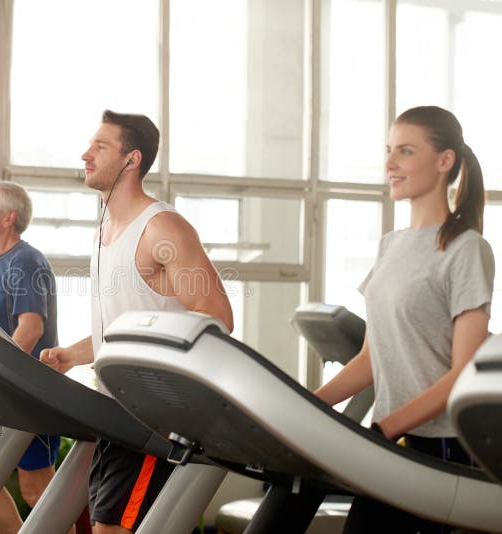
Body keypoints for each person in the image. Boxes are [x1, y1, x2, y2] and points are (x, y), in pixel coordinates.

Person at [250, 106, 494, 534]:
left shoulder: (466, 249)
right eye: (388, 151)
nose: (389, 164)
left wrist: (383, 429)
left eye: (404, 151)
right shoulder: (391, 245)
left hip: (439, 445)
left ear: (444, 161)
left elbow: (462, 373)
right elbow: (369, 358)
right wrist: (307, 409)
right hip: (391, 442)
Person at [40, 110, 234, 534]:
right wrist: (73, 355)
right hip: (116, 409)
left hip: (156, 415)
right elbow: (126, 326)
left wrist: (151, 373)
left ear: (132, 160)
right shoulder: (104, 233)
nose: (85, 155)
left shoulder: (161, 228)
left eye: (100, 147)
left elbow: (217, 317)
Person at [0, 181, 67, 534]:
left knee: (36, 489)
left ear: (8, 218)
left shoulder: (26, 261)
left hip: (28, 392)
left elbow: (30, 329)